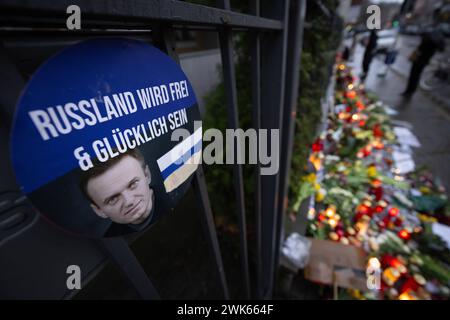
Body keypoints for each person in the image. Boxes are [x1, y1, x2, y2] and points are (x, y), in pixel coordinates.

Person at [79, 148, 155, 237]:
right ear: (99, 211)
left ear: (147, 175)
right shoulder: (110, 240)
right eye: (113, 199)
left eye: (133, 184)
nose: (129, 201)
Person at [402, 29, 445, 97]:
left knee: (413, 76)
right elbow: (441, 50)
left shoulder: (427, 41)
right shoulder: (435, 44)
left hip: (419, 60)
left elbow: (419, 50)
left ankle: (409, 91)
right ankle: (410, 91)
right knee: (416, 76)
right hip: (423, 61)